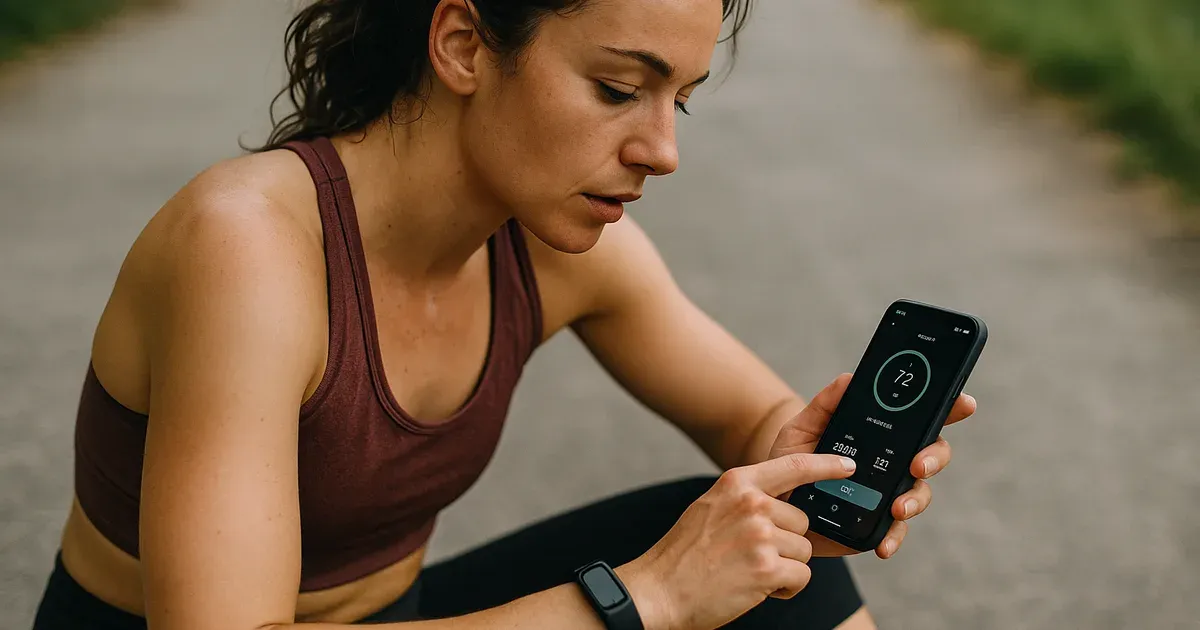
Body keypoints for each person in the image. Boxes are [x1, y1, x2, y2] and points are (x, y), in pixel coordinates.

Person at [31, 0, 979, 628]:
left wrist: (809, 463)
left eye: (677, 102)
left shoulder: (553, 246)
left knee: (771, 569)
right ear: (463, 46)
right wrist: (639, 599)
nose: (661, 149)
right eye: (618, 89)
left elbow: (753, 426)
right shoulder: (246, 246)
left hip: (404, 617)